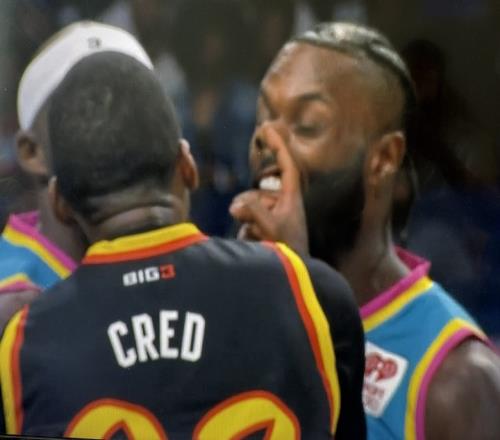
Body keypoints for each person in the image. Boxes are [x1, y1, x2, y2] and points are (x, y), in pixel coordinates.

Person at [0, 51, 365, 438]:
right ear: (187, 166)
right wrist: (293, 272)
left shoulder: (23, 345)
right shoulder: (314, 294)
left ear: (60, 204)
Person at [230, 22, 500, 440]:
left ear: (383, 159)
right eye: (264, 116)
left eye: (307, 125)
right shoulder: (230, 317)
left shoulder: (458, 381)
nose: (268, 140)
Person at [0, 21, 153, 328]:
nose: (116, 130)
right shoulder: (14, 304)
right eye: (86, 111)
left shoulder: (181, 259)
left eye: (134, 109)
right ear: (32, 152)